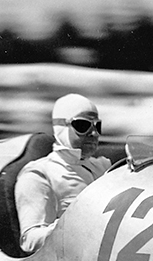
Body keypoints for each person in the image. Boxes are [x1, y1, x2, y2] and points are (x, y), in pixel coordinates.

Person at [14, 93, 112, 252]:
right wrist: (75, 227)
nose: (94, 133)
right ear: (62, 128)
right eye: (83, 125)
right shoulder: (39, 174)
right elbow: (30, 240)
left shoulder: (105, 167)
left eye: (97, 126)